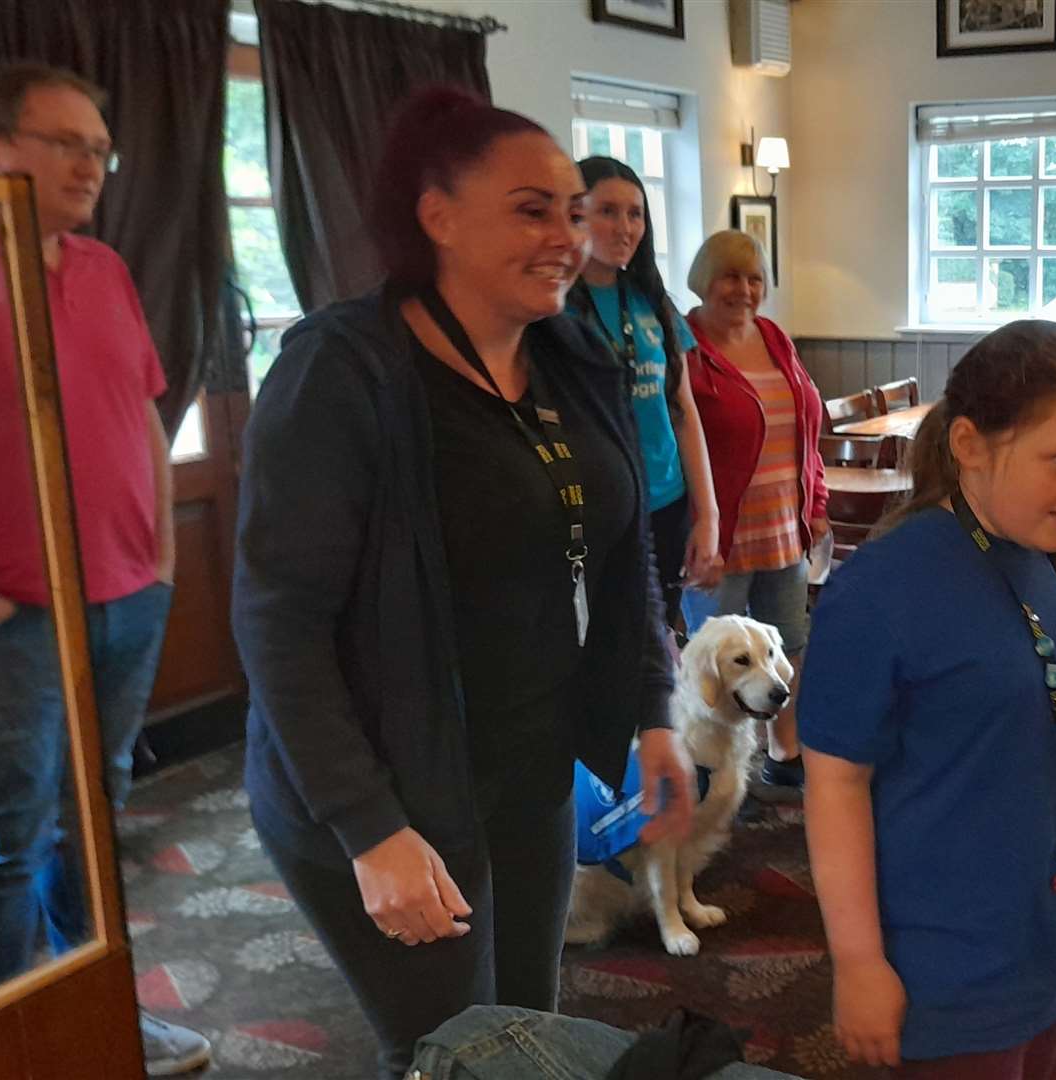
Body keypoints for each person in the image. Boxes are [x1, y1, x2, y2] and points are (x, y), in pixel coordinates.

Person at [232, 86, 695, 1079]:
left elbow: (626, 554)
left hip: (528, 764)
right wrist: (371, 828)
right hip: (384, 781)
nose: (567, 238)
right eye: (532, 209)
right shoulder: (343, 372)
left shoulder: (569, 354)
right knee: (453, 1052)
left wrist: (653, 705)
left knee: (528, 1032)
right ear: (435, 216)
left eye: (574, 211)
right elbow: (281, 625)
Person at [0, 62, 209, 1074]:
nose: (92, 165)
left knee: (92, 816)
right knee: (9, 829)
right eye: (65, 142)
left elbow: (144, 417)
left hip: (123, 596)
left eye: (98, 147)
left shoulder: (102, 266)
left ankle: (97, 1007)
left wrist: (158, 552)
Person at [797, 321, 1056, 1077]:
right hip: (946, 960)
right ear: (970, 445)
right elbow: (835, 782)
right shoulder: (884, 588)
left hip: (1052, 931)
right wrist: (858, 964)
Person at [683, 230, 826, 789]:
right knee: (715, 662)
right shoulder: (685, 347)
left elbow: (807, 429)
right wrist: (699, 529)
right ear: (703, 280)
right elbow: (676, 443)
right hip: (719, 539)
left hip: (784, 531)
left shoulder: (773, 336)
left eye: (753, 278)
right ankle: (715, 771)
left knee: (784, 647)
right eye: (729, 276)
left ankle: (783, 752)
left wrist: (815, 502)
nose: (743, 289)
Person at [565, 156, 720, 627]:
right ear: (576, 215)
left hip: (666, 503)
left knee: (662, 639)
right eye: (607, 211)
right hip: (596, 507)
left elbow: (684, 412)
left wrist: (707, 515)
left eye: (635, 213)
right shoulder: (552, 311)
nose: (625, 227)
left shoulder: (654, 304)